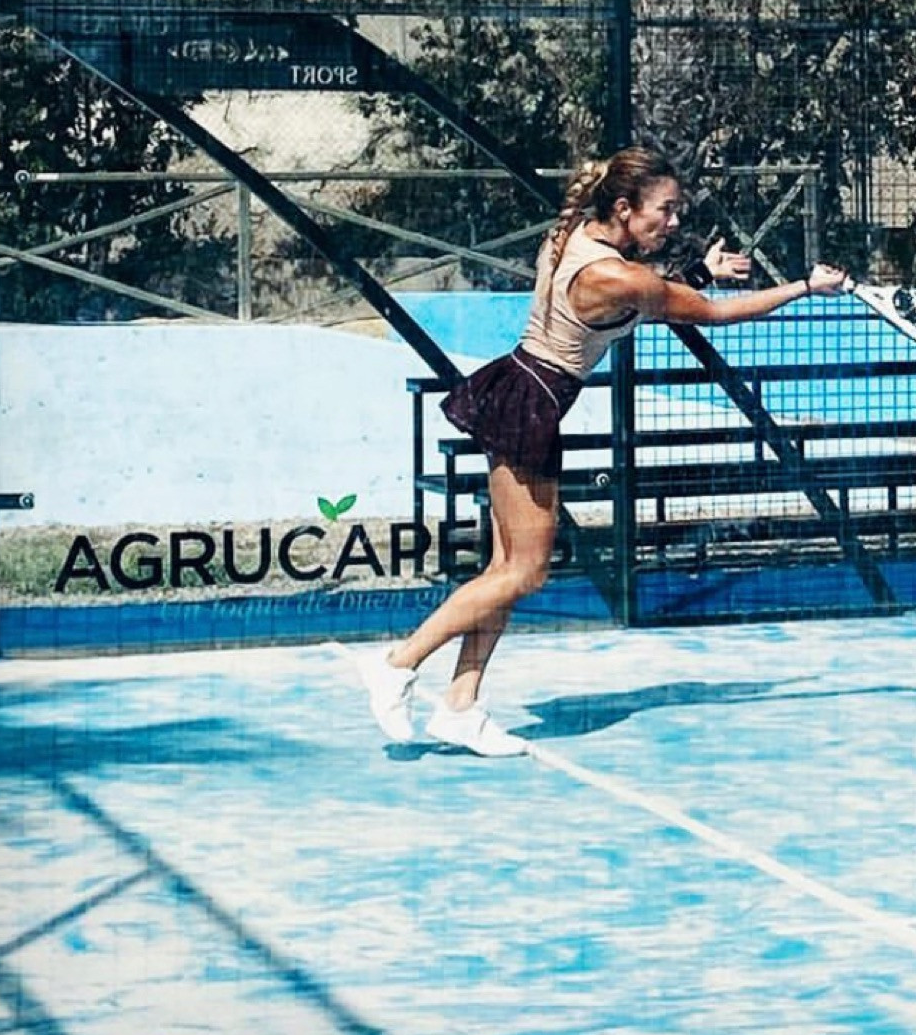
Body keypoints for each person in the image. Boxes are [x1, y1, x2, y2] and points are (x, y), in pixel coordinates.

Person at [356, 145, 848, 755]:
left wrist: (698, 272)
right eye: (665, 210)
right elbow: (713, 315)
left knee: (504, 571)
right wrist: (805, 286)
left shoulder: (575, 235)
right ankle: (397, 664)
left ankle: (460, 705)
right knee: (525, 571)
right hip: (530, 404)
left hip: (518, 390)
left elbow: (650, 300)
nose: (673, 222)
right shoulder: (617, 275)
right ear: (624, 208)